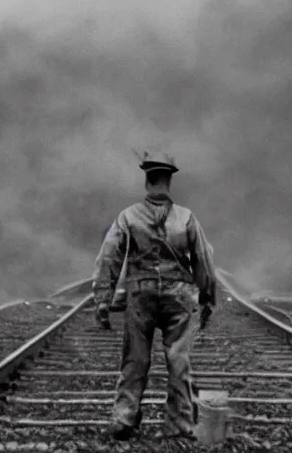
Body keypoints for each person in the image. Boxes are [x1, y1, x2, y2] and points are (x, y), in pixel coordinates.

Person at [92, 151, 217, 441]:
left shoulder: (128, 216)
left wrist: (102, 298)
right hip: (179, 295)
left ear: (147, 180)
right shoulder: (186, 217)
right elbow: (202, 259)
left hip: (140, 294)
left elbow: (109, 257)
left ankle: (124, 418)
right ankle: (180, 423)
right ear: (169, 181)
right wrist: (208, 299)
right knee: (178, 359)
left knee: (135, 358)